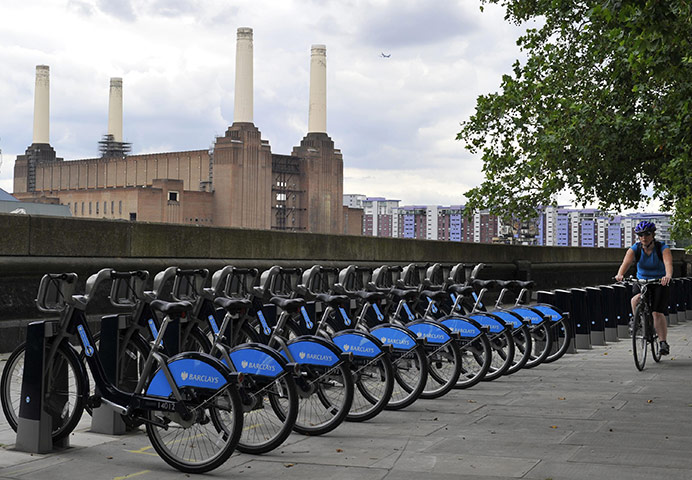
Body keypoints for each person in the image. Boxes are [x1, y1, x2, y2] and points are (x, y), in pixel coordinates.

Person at [615, 220, 673, 355]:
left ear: (653, 235)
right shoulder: (635, 248)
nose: (643, 238)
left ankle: (663, 342)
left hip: (659, 281)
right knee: (635, 300)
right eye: (640, 235)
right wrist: (620, 274)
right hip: (641, 280)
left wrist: (668, 276)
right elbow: (626, 263)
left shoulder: (662, 248)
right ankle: (639, 322)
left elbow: (668, 264)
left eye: (646, 234)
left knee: (657, 312)